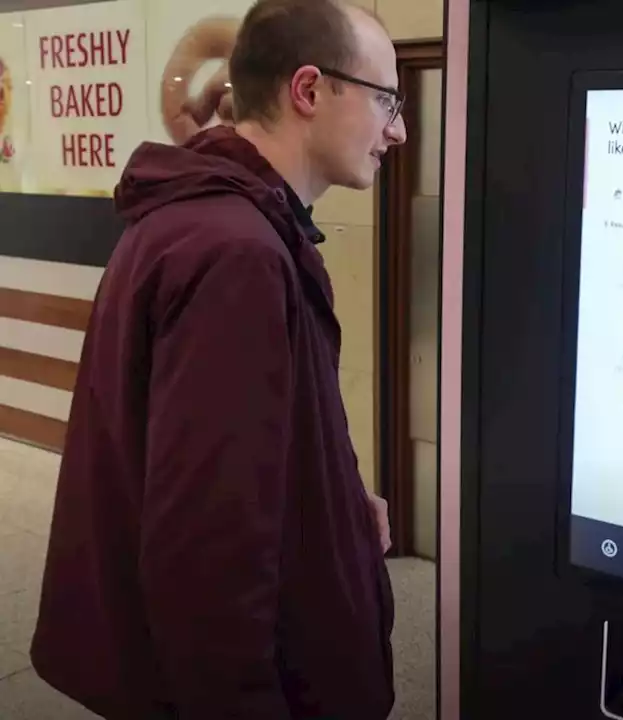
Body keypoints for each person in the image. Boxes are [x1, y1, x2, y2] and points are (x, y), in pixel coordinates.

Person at [29, 0, 407, 717]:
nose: (399, 128)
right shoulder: (237, 256)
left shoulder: (200, 220)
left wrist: (331, 501)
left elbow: (230, 460)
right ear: (308, 91)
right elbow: (206, 550)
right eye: (386, 99)